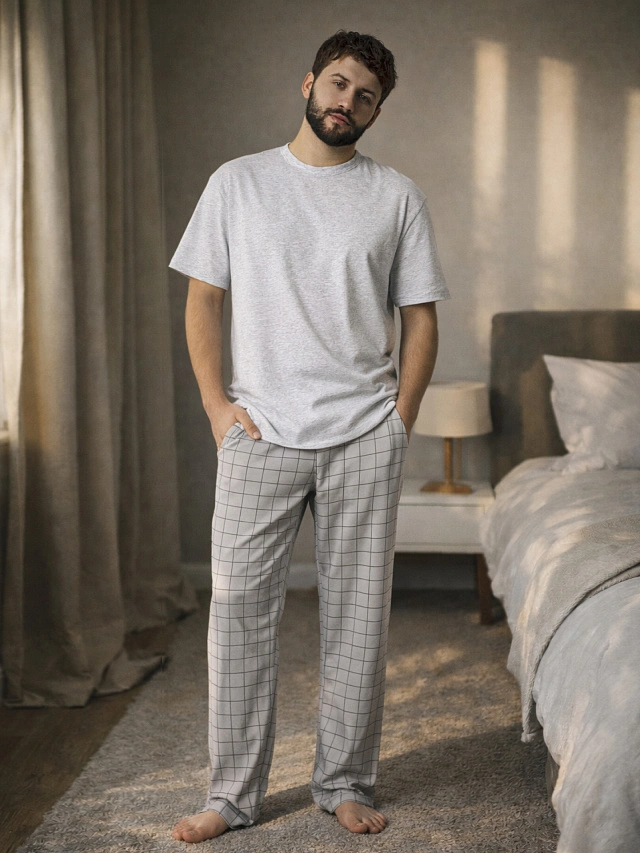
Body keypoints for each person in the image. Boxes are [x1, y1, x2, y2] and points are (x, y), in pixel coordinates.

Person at [168, 29, 450, 843]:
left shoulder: (396, 196)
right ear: (309, 83)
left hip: (364, 432)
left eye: (365, 95)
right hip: (260, 431)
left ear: (377, 110)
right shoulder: (238, 183)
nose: (346, 102)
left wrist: (399, 420)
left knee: (358, 620)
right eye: (338, 83)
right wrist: (218, 408)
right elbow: (203, 300)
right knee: (238, 615)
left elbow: (421, 319)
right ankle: (232, 795)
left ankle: (345, 781)